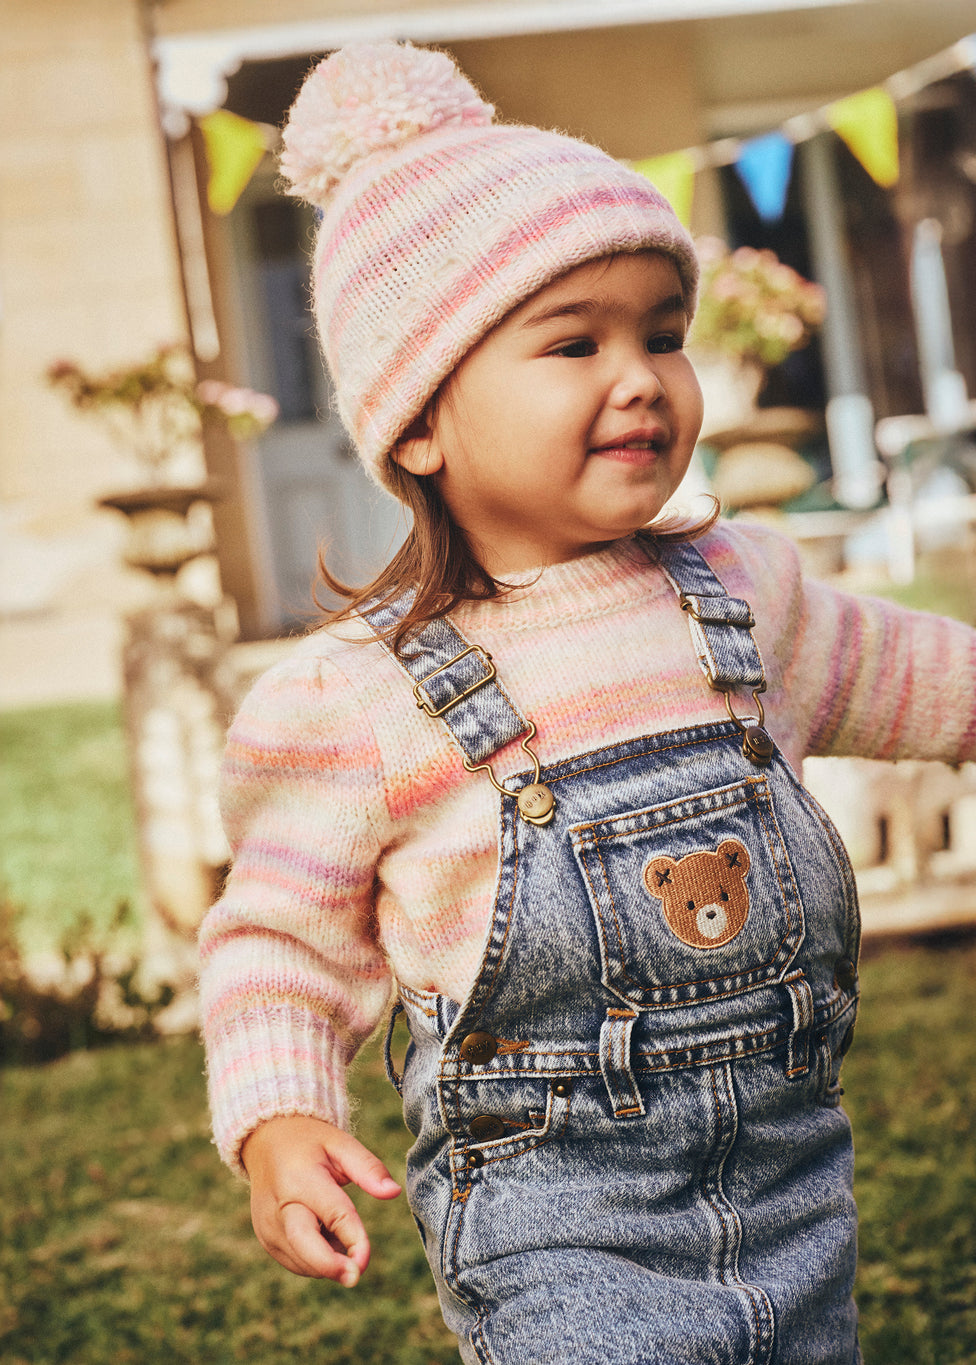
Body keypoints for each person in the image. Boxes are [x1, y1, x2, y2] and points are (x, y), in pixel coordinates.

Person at [198, 41, 976, 1365]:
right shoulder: (358, 696)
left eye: (661, 336)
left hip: (795, 1197)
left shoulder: (746, 594)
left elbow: (927, 679)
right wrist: (280, 1117)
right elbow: (276, 938)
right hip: (560, 1230)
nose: (642, 377)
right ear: (421, 419)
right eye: (576, 341)